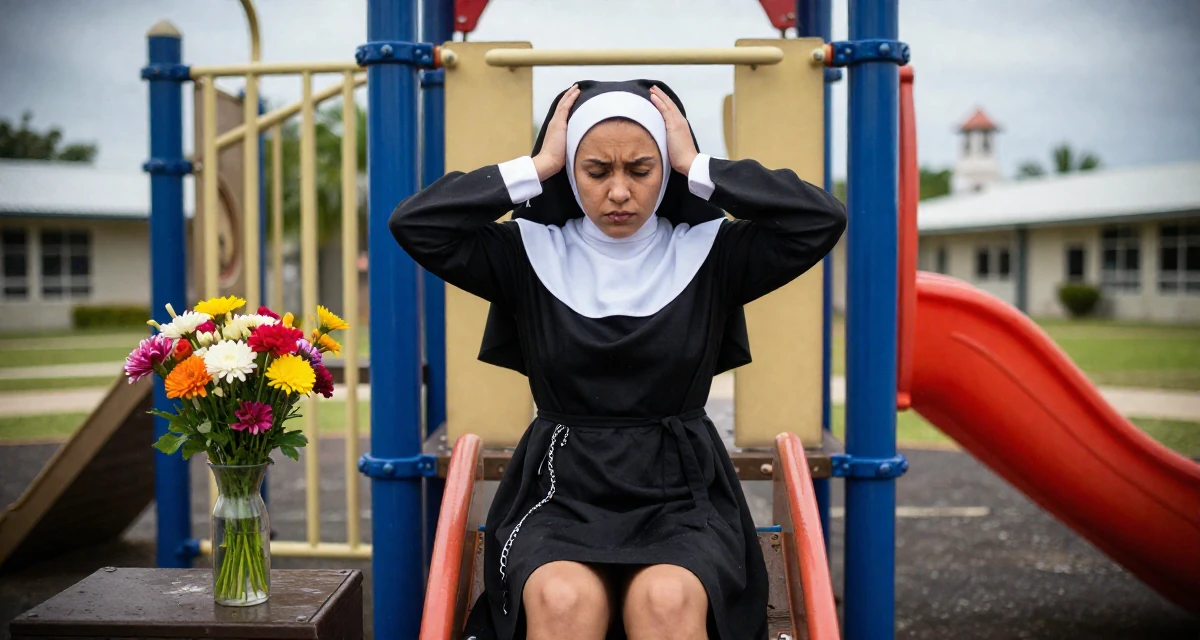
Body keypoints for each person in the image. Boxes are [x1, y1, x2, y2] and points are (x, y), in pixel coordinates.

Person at [390, 79, 846, 640]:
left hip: (680, 492)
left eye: (641, 168)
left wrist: (696, 164)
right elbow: (414, 224)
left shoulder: (711, 252)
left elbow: (820, 218)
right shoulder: (526, 252)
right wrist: (538, 166)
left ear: (665, 170)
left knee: (668, 600)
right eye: (597, 170)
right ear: (571, 172)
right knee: (561, 602)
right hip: (560, 491)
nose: (620, 191)